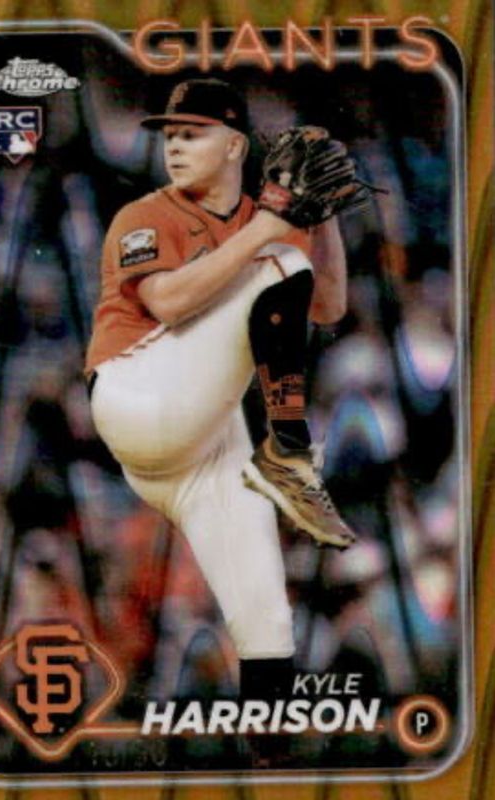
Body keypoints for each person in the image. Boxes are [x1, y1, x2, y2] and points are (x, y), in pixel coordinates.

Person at [85, 78, 355, 708]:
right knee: (281, 263)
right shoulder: (145, 216)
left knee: (265, 617)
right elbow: (167, 301)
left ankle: (269, 739)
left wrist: (324, 216)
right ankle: (289, 450)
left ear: (235, 145)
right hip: (137, 393)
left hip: (203, 437)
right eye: (170, 136)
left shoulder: (266, 224)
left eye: (192, 134)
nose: (174, 146)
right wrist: (268, 228)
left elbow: (329, 306)